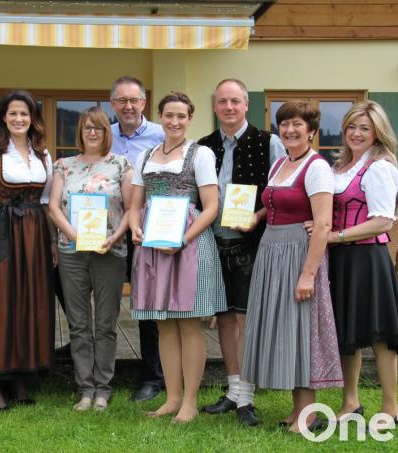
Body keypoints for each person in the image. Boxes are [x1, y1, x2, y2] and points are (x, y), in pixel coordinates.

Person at [241, 101, 343, 434]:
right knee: (286, 328)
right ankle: (297, 408)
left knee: (301, 329)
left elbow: (323, 223)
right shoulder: (280, 164)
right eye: (284, 124)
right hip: (272, 251)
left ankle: (309, 413)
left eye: (297, 124)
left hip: (299, 253)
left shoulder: (316, 168)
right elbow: (271, 203)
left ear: (312, 130)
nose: (290, 130)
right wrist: (254, 218)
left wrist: (308, 274)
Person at [311, 100, 398, 429]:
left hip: (367, 258)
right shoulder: (341, 167)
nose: (356, 133)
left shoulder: (380, 167)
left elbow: (383, 221)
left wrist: (334, 236)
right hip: (342, 259)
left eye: (364, 128)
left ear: (377, 133)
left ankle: (391, 406)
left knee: (380, 334)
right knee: (348, 333)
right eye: (352, 127)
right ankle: (350, 401)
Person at [129, 92, 227, 423]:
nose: (174, 122)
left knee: (188, 324)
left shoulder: (200, 154)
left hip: (188, 243)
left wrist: (182, 240)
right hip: (153, 243)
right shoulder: (144, 156)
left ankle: (190, 401)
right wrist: (134, 228)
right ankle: (171, 398)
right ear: (160, 117)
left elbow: (211, 207)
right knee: (164, 325)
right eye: (168, 115)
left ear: (189, 119)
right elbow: (134, 204)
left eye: (181, 116)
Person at [196, 79, 285, 425]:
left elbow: (277, 191)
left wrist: (257, 216)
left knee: (247, 318)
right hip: (214, 240)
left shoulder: (269, 141)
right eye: (222, 102)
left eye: (235, 101)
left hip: (253, 241)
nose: (229, 107)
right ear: (215, 106)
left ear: (246, 105)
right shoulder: (204, 146)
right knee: (225, 317)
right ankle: (233, 390)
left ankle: (247, 396)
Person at [0, 90, 56, 411]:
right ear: (3, 118)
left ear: (33, 118)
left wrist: (51, 243)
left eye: (25, 113)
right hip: (3, 232)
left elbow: (48, 204)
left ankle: (22, 376)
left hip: (35, 236)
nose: (19, 119)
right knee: (0, 304)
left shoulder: (44, 155)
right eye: (13, 114)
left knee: (29, 303)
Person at [48, 107, 133, 411]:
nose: (93, 133)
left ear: (106, 132)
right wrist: (73, 235)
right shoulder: (63, 166)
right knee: (79, 323)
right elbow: (54, 207)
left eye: (98, 128)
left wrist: (115, 236)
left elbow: (131, 208)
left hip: (110, 250)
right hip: (72, 252)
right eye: (87, 128)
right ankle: (86, 387)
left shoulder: (121, 165)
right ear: (80, 133)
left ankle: (103, 388)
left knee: (107, 322)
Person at [108, 75, 166, 402]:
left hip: (148, 230)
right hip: (109, 228)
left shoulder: (161, 135)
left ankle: (152, 376)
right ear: (112, 104)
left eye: (134, 100)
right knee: (103, 299)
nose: (128, 106)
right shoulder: (104, 135)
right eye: (121, 101)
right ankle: (98, 371)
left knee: (146, 305)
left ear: (143, 103)